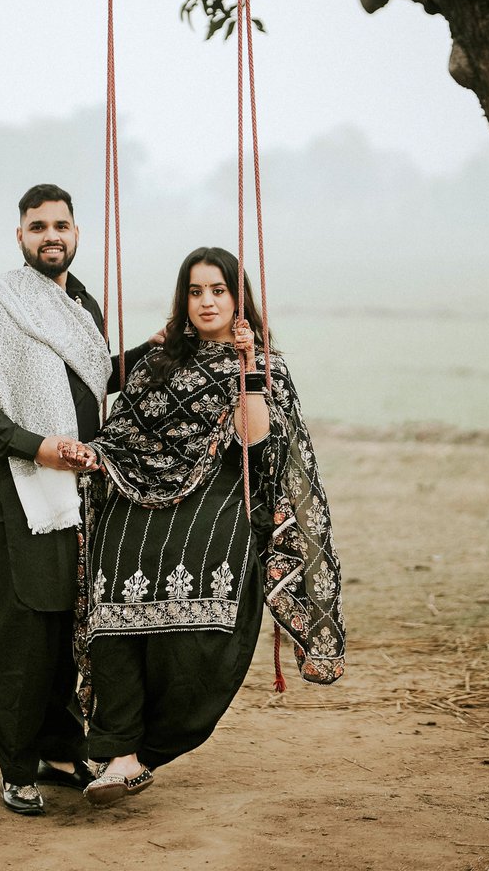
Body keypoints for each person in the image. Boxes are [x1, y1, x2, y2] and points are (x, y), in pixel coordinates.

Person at [59, 246, 345, 806]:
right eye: (195, 292)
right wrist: (97, 457)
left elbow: (255, 442)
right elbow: (126, 436)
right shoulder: (159, 363)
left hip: (218, 495)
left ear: (239, 299)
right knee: (115, 564)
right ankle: (119, 754)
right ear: (182, 300)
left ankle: (150, 748)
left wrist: (249, 371)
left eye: (218, 290)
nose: (206, 302)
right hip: (139, 494)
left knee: (211, 564)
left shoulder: (262, 363)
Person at [0, 184, 156, 816]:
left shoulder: (84, 305)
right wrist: (36, 446)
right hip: (19, 491)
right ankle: (15, 767)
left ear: (76, 231)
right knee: (21, 631)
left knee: (70, 626)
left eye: (61, 225)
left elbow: (96, 381)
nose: (51, 236)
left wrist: (161, 345)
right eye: (37, 226)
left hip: (81, 491)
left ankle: (58, 748)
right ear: (20, 236)